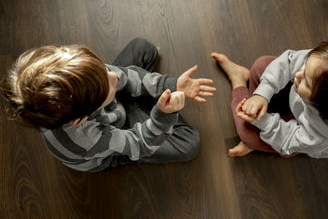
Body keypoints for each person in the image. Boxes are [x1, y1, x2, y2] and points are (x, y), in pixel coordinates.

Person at [2, 38, 216, 171]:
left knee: (143, 48)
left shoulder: (82, 80)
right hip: (111, 142)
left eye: (102, 69)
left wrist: (172, 84)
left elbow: (118, 76)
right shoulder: (90, 138)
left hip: (107, 110)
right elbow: (140, 143)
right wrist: (163, 115)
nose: (114, 75)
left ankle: (136, 105)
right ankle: (139, 109)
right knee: (189, 143)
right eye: (107, 85)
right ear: (83, 117)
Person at [212, 39, 328, 158]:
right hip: (303, 106)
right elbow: (291, 60)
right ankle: (262, 107)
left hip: (299, 133)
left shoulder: (322, 137)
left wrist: (264, 122)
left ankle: (238, 81)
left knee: (247, 132)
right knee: (263, 65)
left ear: (325, 107)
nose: (298, 75)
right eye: (307, 64)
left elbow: (289, 137)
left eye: (307, 82)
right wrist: (263, 93)